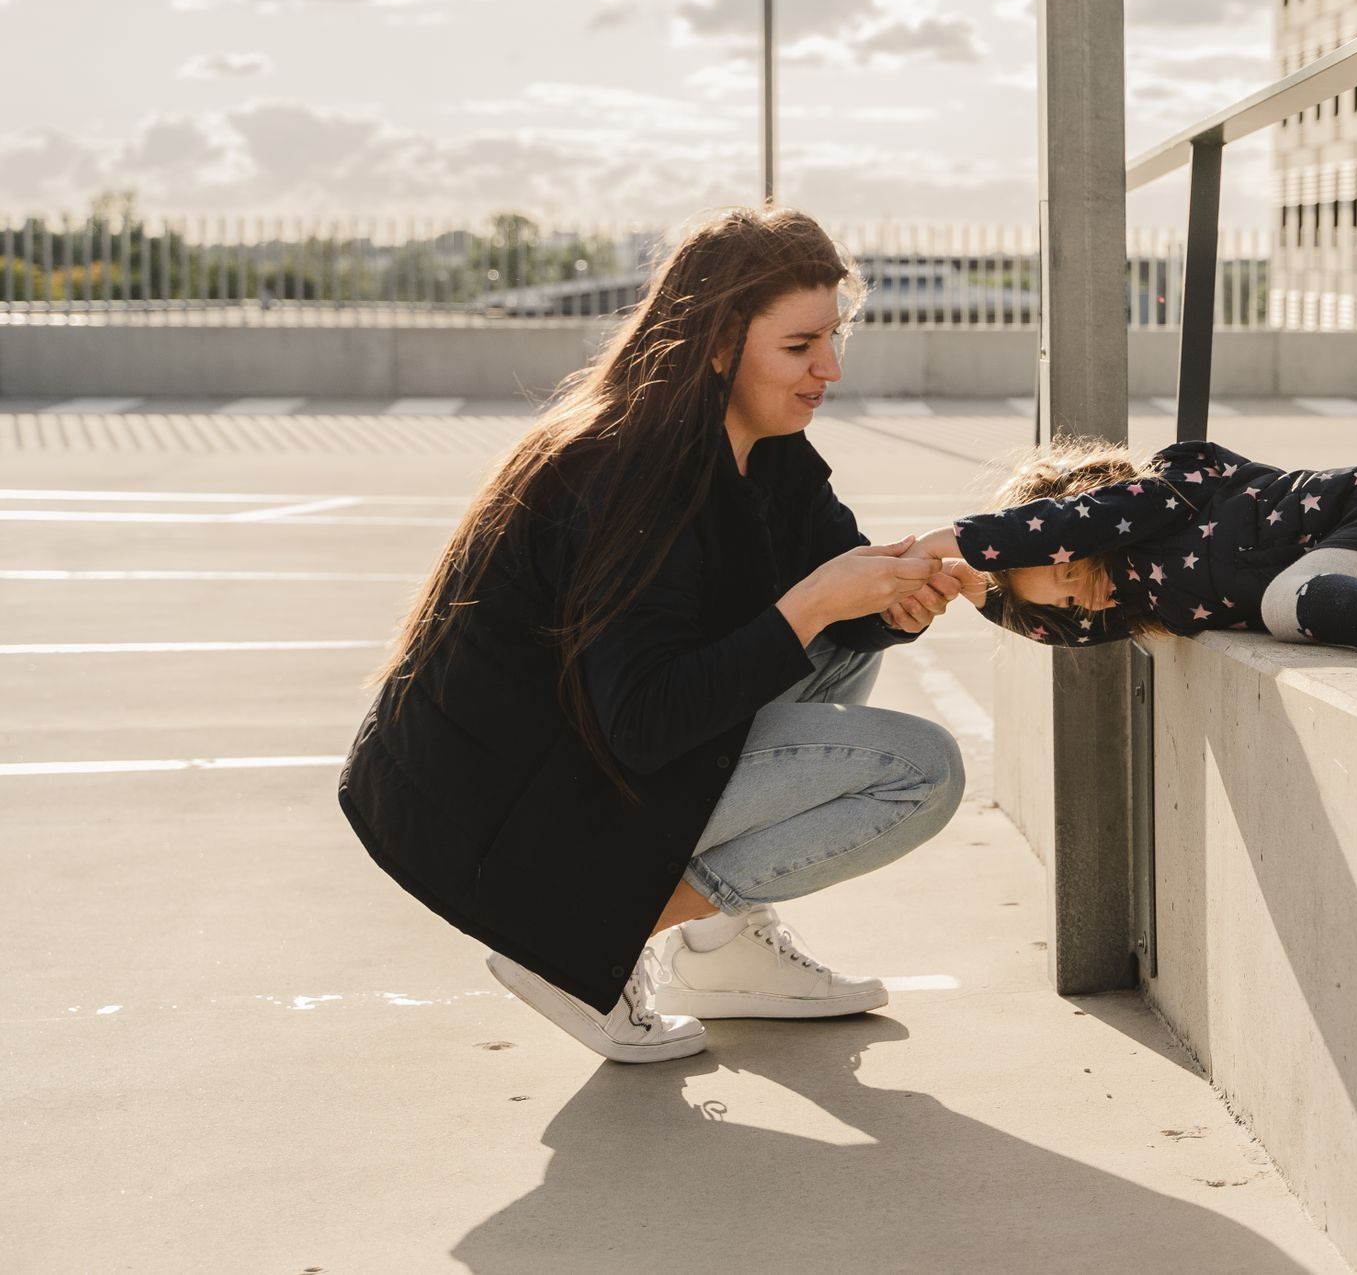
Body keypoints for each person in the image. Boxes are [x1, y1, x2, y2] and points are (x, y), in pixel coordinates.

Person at [339, 208, 972, 1065]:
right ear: (717, 345)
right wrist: (816, 603)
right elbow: (643, 721)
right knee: (921, 771)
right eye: (799, 346)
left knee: (839, 638)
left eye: (835, 334)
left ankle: (721, 953)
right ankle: (572, 940)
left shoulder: (767, 449)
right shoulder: (628, 471)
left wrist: (898, 592)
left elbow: (833, 603)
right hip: (506, 813)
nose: (831, 366)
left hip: (583, 750)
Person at [918, 437, 1357, 694]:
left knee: (1286, 599)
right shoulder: (1148, 606)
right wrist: (978, 592)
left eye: (1072, 572)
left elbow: (1075, 522)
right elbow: (1054, 631)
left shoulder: (1169, 489)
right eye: (1068, 601)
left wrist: (948, 542)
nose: (1085, 601)